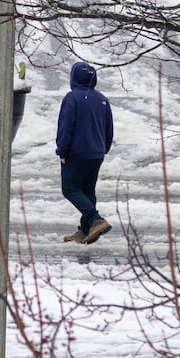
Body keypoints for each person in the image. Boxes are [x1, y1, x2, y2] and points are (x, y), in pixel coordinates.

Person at [56, 61, 115, 244]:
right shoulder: (102, 99)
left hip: (77, 153)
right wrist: (102, 148)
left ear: (73, 77)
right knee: (88, 191)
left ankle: (95, 219)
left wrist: (62, 150)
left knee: (70, 189)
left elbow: (66, 127)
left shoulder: (72, 98)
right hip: (96, 154)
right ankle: (85, 230)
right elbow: (109, 129)